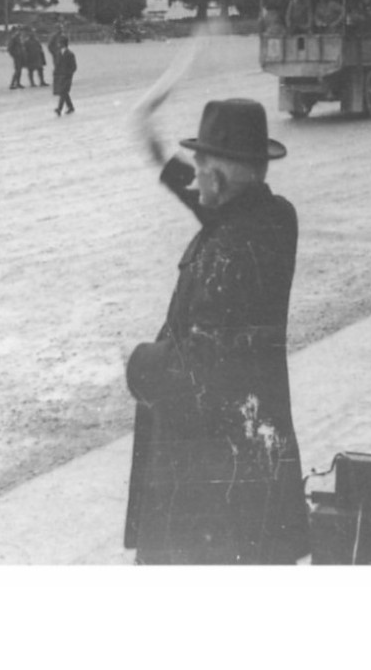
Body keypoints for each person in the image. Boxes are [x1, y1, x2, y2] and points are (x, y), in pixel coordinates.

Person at [124, 99, 309, 562]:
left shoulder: (233, 248)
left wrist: (139, 364)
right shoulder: (268, 218)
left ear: (223, 175)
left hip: (214, 474)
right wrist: (160, 157)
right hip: (250, 457)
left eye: (200, 163)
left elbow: (199, 367)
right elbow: (211, 200)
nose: (194, 171)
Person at [53, 37, 76, 115]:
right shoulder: (58, 53)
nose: (59, 45)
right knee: (64, 93)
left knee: (63, 92)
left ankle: (59, 109)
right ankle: (70, 107)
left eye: (60, 43)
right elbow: (57, 65)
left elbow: (74, 66)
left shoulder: (70, 54)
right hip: (60, 76)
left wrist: (69, 74)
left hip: (67, 76)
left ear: (64, 44)